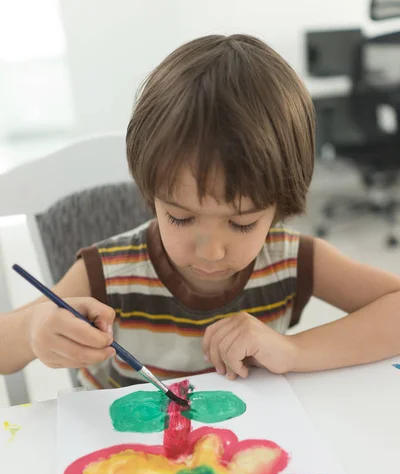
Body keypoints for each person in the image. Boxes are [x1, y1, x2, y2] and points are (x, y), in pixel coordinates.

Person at [1, 34, 400, 390]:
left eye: (242, 223)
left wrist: (293, 350)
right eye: (180, 217)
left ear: (281, 202)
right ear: (151, 193)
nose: (211, 252)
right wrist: (32, 331)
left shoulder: (288, 260)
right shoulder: (108, 272)